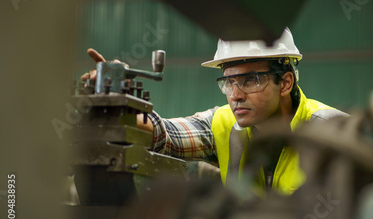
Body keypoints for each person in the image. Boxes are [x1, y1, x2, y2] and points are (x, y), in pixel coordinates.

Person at [83, 28, 347, 195]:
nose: (236, 95)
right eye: (229, 82)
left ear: (286, 83)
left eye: (251, 80)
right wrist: (119, 100)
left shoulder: (336, 132)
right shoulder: (225, 124)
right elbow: (167, 135)